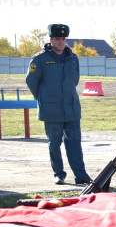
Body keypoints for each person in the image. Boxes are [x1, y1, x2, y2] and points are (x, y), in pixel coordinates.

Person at [25, 23, 92, 185]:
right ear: (51, 39)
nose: (61, 42)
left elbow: (74, 81)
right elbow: (31, 81)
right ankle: (59, 174)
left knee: (74, 144)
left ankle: (81, 175)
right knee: (54, 144)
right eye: (57, 38)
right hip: (51, 110)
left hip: (71, 109)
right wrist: (44, 98)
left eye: (63, 38)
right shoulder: (40, 59)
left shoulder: (73, 58)